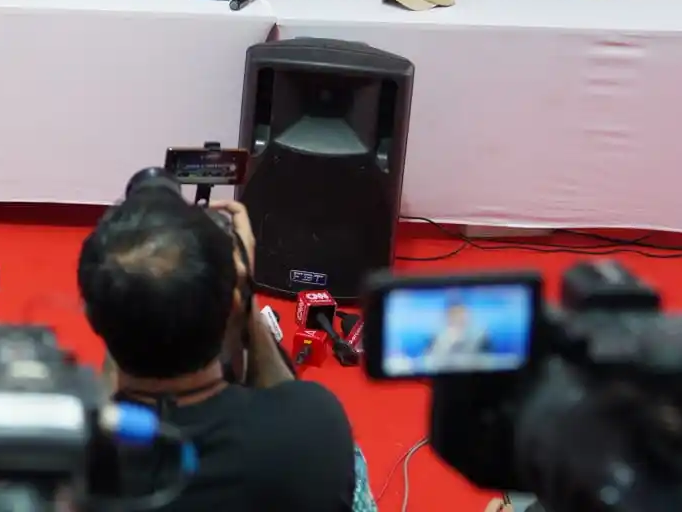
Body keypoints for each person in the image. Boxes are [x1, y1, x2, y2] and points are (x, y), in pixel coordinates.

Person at [78, 192, 359, 511]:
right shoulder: (316, 427)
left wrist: (121, 303)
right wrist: (245, 293)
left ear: (93, 318)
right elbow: (290, 403)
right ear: (233, 307)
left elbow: (104, 408)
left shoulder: (64, 465)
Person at [424, 298, 493, 366]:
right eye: (454, 314)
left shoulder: (481, 336)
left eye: (461, 313)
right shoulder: (436, 337)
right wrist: (446, 344)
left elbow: (490, 362)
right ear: (447, 317)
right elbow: (427, 363)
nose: (458, 318)